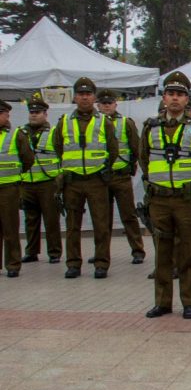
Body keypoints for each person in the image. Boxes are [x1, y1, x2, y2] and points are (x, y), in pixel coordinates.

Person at [142, 72, 191, 319]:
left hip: (188, 200)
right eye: (171, 94)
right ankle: (162, 302)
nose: (175, 99)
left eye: (180, 94)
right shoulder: (150, 127)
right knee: (162, 252)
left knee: (189, 252)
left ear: (186, 99)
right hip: (160, 199)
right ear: (164, 98)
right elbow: (144, 160)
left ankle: (189, 302)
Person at [53, 77, 119, 279]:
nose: (84, 97)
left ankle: (101, 263)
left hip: (96, 180)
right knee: (73, 226)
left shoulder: (104, 122)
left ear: (94, 97)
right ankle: (73, 263)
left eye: (88, 94)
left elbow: (113, 149)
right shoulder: (64, 122)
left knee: (101, 224)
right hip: (72, 181)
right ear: (75, 97)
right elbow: (58, 147)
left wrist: (102, 168)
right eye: (81, 94)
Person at [96, 89, 146, 265]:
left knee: (129, 215)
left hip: (121, 176)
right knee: (102, 219)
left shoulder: (125, 123)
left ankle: (138, 250)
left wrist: (131, 167)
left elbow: (136, 148)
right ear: (98, 105)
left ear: (116, 105)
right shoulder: (94, 124)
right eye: (103, 103)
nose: (106, 106)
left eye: (109, 103)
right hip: (100, 178)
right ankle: (101, 253)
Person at [19, 95, 62, 264]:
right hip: (28, 182)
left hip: (48, 182)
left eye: (37, 112)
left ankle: (54, 252)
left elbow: (62, 155)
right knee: (30, 219)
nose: (34, 115)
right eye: (32, 112)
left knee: (51, 219)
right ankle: (31, 251)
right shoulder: (21, 133)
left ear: (45, 114)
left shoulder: (53, 133)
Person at [0, 99, 34, 277]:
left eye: (1, 114)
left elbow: (28, 159)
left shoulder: (16, 134)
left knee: (10, 228)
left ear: (7, 115)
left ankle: (13, 264)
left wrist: (16, 173)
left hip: (8, 188)